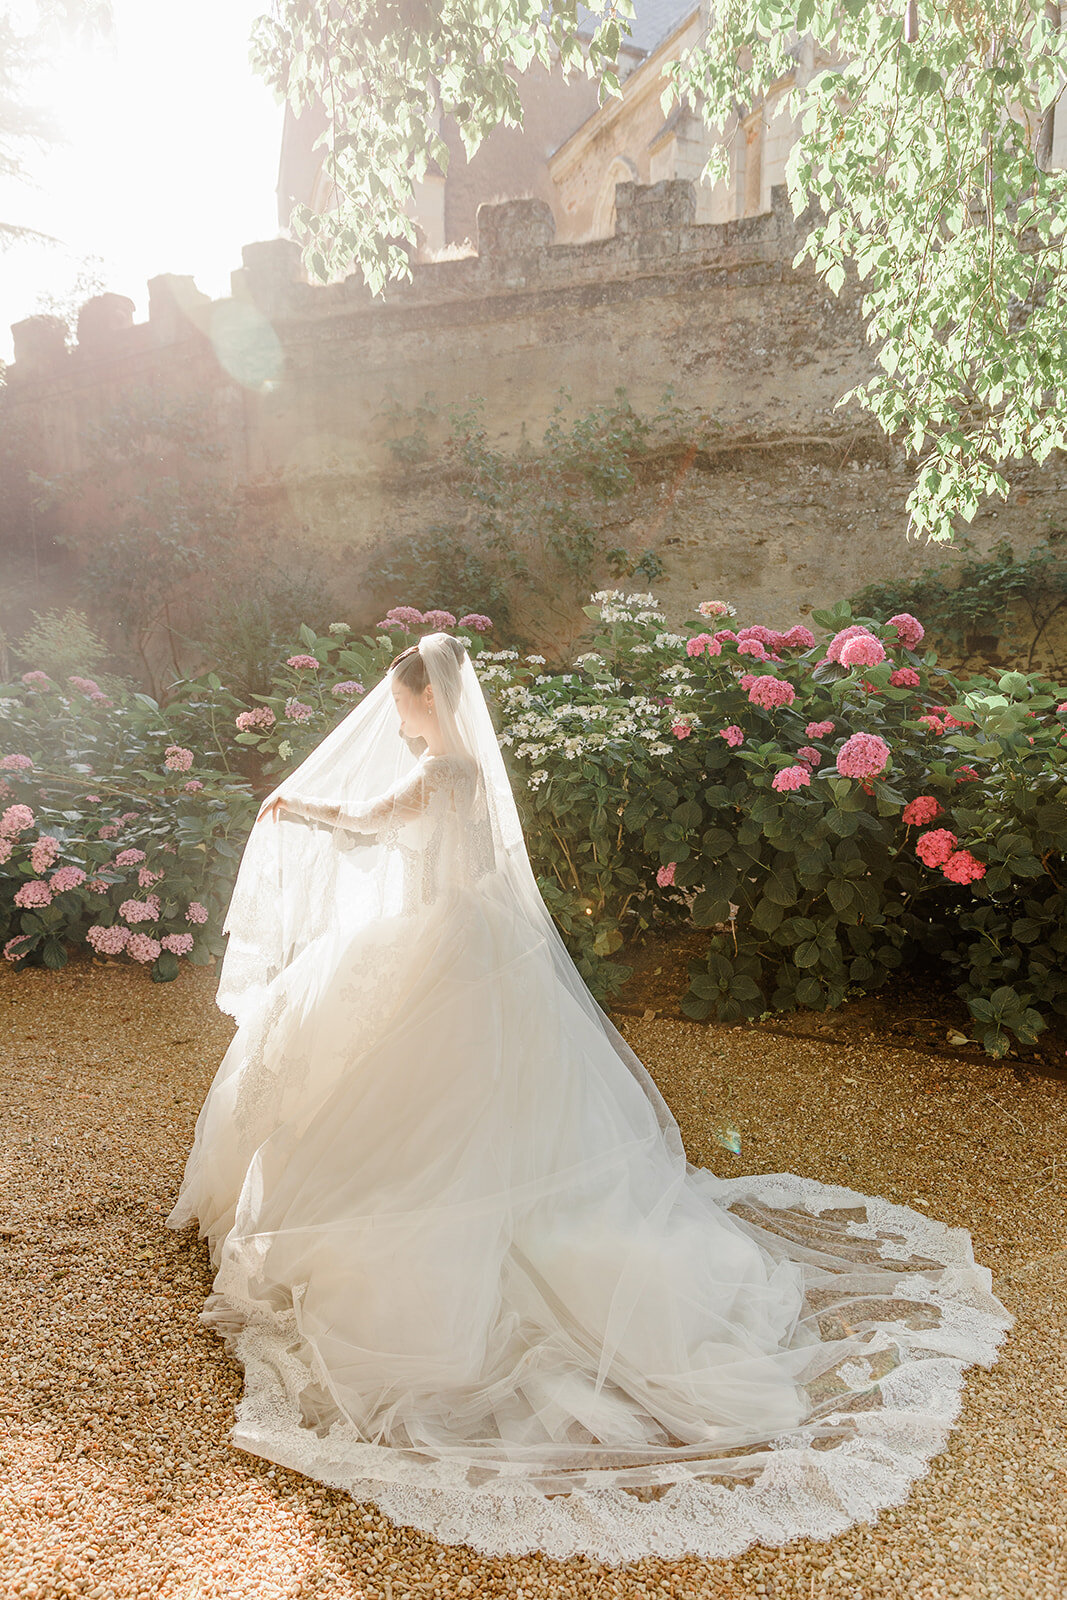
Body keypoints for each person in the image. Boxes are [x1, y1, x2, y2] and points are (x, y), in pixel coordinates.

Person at [166, 631, 1014, 1566]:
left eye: (402, 704)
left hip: (440, 942)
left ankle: (414, 1205)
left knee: (415, 1090)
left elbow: (369, 819)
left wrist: (300, 806)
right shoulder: (465, 773)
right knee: (487, 1090)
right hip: (472, 939)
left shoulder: (443, 772)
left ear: (426, 702)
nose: (398, 717)